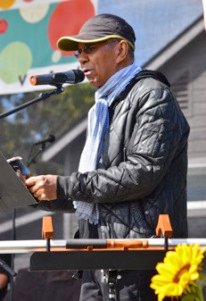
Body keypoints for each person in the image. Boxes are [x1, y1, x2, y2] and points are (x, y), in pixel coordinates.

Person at [25, 13, 190, 301]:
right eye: (78, 53)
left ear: (121, 50)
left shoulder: (152, 95)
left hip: (140, 259)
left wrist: (63, 185)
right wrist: (45, 194)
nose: (81, 59)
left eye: (89, 49)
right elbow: (97, 193)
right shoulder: (102, 109)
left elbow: (141, 174)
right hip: (96, 257)